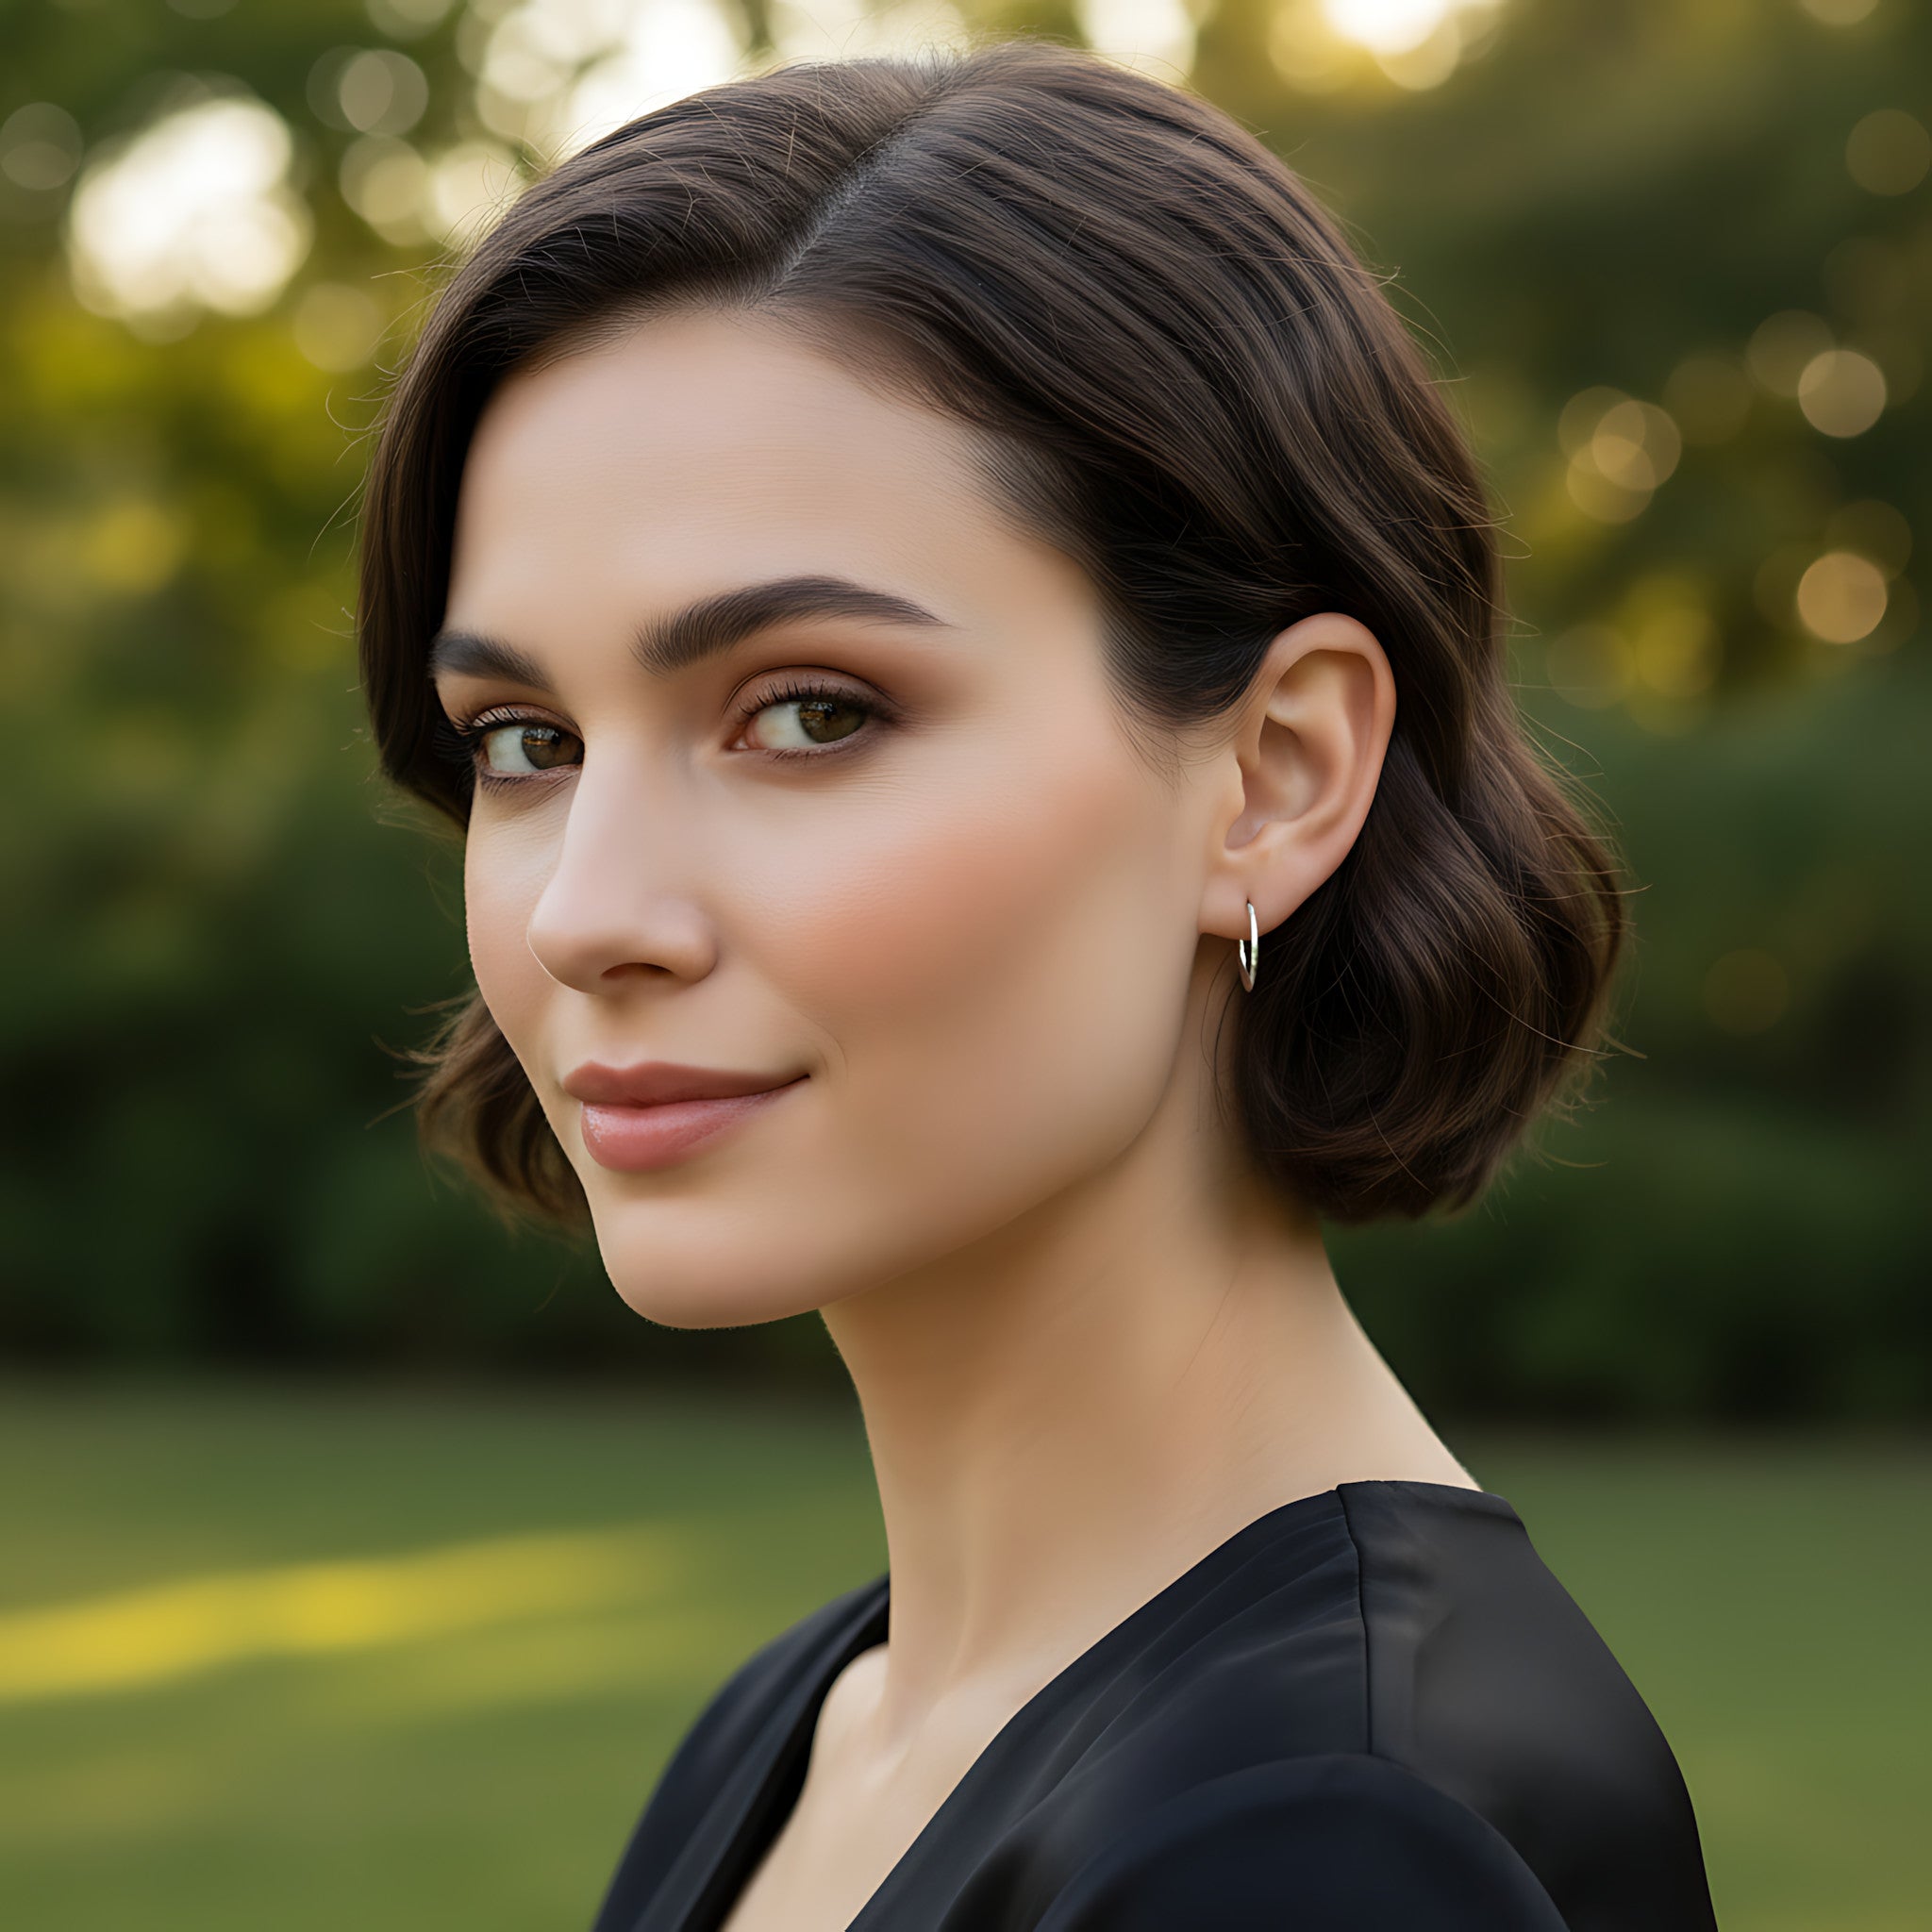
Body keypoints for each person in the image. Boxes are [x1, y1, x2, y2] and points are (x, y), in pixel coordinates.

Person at [355, 37, 1719, 1932]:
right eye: (524, 738)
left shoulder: (1324, 1841)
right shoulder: (809, 1722)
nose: (590, 910)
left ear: (1275, 776)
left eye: (809, 712)